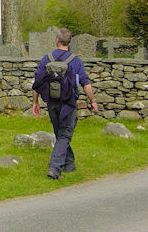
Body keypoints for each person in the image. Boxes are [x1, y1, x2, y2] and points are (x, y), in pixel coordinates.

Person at [31, 28, 98, 179]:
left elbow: (37, 82)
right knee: (65, 134)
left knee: (60, 133)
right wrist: (92, 100)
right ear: (70, 42)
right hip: (68, 103)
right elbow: (85, 83)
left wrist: (35, 102)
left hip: (51, 101)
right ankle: (54, 168)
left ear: (57, 40)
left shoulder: (46, 59)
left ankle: (69, 164)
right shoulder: (75, 60)